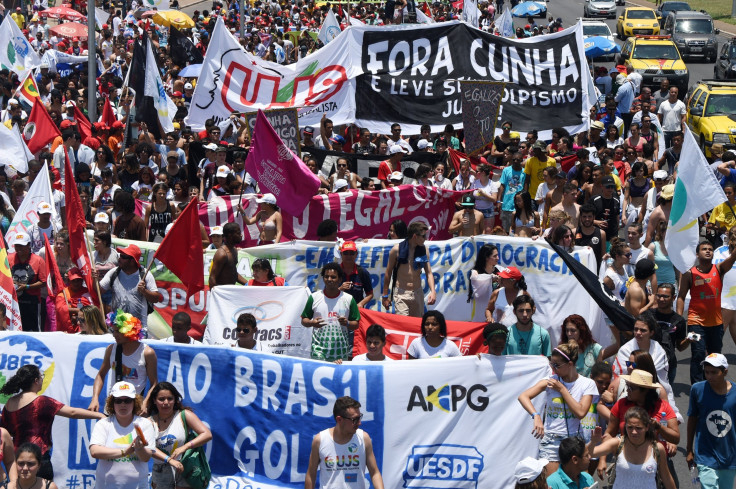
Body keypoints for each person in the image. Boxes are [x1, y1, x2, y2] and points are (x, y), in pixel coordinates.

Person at [0, 365, 104, 480]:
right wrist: (98, 415)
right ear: (36, 380)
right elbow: (72, 412)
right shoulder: (41, 401)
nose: (42, 379)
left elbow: (7, 431)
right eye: (41, 377)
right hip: (38, 458)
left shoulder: (10, 403)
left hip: (18, 460)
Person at [518, 340, 597, 472]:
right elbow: (523, 396)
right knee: (552, 484)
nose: (553, 369)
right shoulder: (550, 381)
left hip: (575, 439)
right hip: (551, 439)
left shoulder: (587, 384)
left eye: (557, 365)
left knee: (579, 483)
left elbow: (581, 412)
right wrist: (536, 415)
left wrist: (562, 390)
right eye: (551, 364)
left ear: (570, 364)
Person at [677, 240, 736, 383]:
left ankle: (711, 384)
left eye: (710, 249)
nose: (708, 251)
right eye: (704, 249)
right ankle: (697, 386)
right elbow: (681, 296)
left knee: (714, 357)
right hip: (696, 322)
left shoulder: (719, 269)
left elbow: (733, 257)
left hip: (716, 323)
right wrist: (678, 318)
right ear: (697, 254)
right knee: (698, 355)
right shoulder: (689, 274)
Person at [305, 396, 384, 489]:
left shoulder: (364, 438)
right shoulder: (320, 440)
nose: (359, 423)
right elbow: (311, 474)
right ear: (339, 419)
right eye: (355, 419)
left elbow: (374, 473)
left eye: (360, 417)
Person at [88, 310, 158, 413]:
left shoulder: (147, 353)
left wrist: (145, 403)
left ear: (129, 331)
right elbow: (100, 375)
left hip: (135, 407)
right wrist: (94, 399)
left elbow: (154, 383)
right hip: (114, 405)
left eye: (118, 331)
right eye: (114, 331)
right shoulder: (111, 349)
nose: (114, 335)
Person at [89, 381, 156, 489]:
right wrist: (124, 452)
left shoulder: (145, 423)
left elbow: (146, 458)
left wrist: (139, 449)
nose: (123, 404)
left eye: (128, 400)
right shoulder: (103, 423)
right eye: (118, 401)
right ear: (112, 403)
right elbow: (95, 451)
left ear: (135, 402)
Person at [588, 408, 676, 489]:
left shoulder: (657, 448)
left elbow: (666, 478)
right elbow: (590, 453)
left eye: (638, 428)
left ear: (647, 427)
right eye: (630, 427)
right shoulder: (617, 443)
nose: (634, 432)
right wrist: (593, 442)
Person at [147, 382, 213, 489]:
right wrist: (169, 460)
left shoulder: (184, 415)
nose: (166, 402)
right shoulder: (149, 422)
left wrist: (185, 447)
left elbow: (207, 434)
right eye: (161, 399)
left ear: (175, 400)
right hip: (161, 470)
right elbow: (149, 448)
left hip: (185, 467)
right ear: (154, 400)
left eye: (170, 398)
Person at [687, 353, 736, 489]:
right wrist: (689, 449)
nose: (709, 376)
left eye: (714, 372)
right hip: (705, 455)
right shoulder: (697, 389)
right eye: (707, 372)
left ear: (725, 372)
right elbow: (692, 419)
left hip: (729, 457)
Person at [301, 262, 360, 362]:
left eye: (333, 277)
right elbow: (304, 320)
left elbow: (356, 324)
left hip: (340, 352)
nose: (329, 280)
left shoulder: (348, 299)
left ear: (340, 279)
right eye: (326, 276)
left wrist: (347, 323)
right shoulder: (314, 297)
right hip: (318, 351)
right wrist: (312, 323)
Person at [99, 244, 162, 337]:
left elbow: (156, 298)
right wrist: (94, 279)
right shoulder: (114, 272)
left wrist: (144, 291)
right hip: (117, 328)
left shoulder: (145, 275)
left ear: (133, 261)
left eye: (123, 257)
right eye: (119, 255)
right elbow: (99, 291)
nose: (119, 259)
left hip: (138, 329)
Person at [382, 221, 436, 317]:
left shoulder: (424, 250)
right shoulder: (396, 250)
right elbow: (388, 273)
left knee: (417, 326)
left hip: (417, 293)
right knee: (403, 326)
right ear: (415, 236)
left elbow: (429, 273)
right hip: (401, 293)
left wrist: (433, 291)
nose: (426, 238)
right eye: (423, 236)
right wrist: (385, 296)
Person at [8, 233, 47, 332]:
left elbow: (43, 282)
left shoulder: (38, 260)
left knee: (33, 330)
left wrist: (27, 287)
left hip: (32, 303)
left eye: (22, 245)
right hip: (13, 302)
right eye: (17, 245)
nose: (19, 248)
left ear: (29, 245)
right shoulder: (9, 259)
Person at [651, 283, 687, 384]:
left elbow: (680, 347)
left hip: (669, 365)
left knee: (665, 397)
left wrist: (688, 340)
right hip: (648, 364)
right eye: (659, 295)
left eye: (665, 296)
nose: (661, 299)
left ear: (673, 298)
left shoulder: (679, 321)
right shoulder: (647, 315)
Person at [209, 222, 246, 287]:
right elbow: (212, 278)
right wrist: (215, 295)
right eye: (238, 233)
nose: (241, 235)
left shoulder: (234, 250)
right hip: (222, 294)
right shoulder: (222, 254)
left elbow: (233, 273)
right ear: (230, 235)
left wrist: (248, 284)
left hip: (230, 292)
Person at [338, 241, 373, 308]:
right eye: (345, 253)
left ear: (356, 254)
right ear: (341, 254)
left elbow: (370, 294)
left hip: (356, 311)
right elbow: (328, 292)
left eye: (351, 253)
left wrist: (360, 304)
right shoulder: (335, 271)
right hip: (338, 310)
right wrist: (340, 289)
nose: (348, 256)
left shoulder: (362, 272)